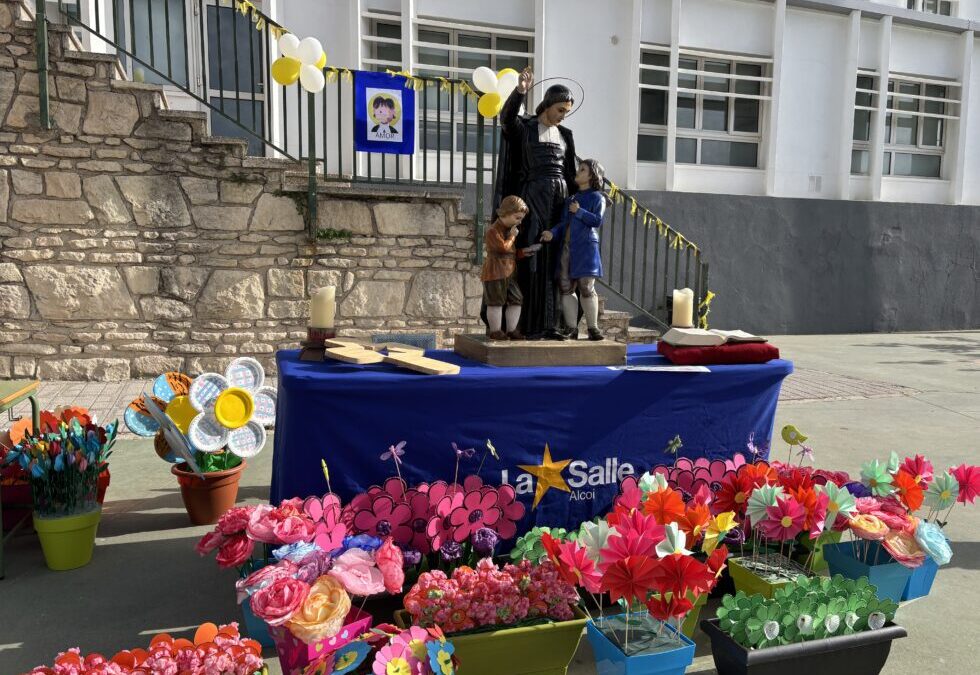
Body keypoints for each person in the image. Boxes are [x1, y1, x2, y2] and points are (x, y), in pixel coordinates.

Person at [494, 67, 578, 339]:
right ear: (548, 105)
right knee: (531, 253)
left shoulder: (565, 135)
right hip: (532, 196)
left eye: (566, 111)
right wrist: (520, 91)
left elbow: (570, 172)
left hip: (559, 198)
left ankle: (551, 324)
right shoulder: (527, 128)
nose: (563, 115)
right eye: (561, 110)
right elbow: (506, 119)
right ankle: (526, 324)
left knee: (555, 258)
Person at [540, 159, 607, 340]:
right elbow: (563, 223)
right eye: (579, 168)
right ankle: (571, 327)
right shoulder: (571, 199)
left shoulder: (597, 198)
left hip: (585, 248)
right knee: (566, 287)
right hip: (567, 248)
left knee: (586, 286)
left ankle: (593, 328)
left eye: (583, 169)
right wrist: (553, 233)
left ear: (593, 175)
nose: (578, 171)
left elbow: (597, 221)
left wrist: (579, 211)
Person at [480, 196, 541, 340]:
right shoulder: (493, 231)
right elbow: (502, 248)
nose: (519, 222)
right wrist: (512, 237)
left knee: (516, 299)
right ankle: (495, 331)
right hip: (495, 272)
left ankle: (511, 329)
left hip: (509, 272)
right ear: (506, 213)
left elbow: (510, 253)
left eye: (521, 219)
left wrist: (523, 252)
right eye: (517, 218)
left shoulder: (508, 230)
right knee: (495, 301)